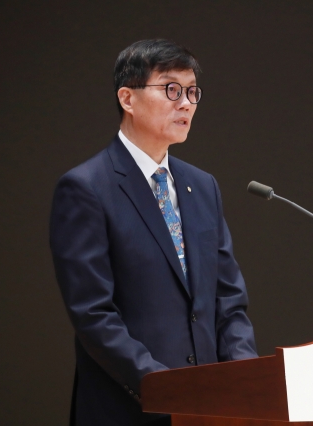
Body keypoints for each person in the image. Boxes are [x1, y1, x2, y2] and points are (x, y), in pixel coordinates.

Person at [50, 39, 258, 426]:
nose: (186, 103)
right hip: (130, 408)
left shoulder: (203, 185)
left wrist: (244, 381)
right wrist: (167, 388)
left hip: (211, 411)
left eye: (192, 92)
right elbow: (94, 315)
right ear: (127, 99)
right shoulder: (86, 188)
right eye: (171, 89)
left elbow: (228, 301)